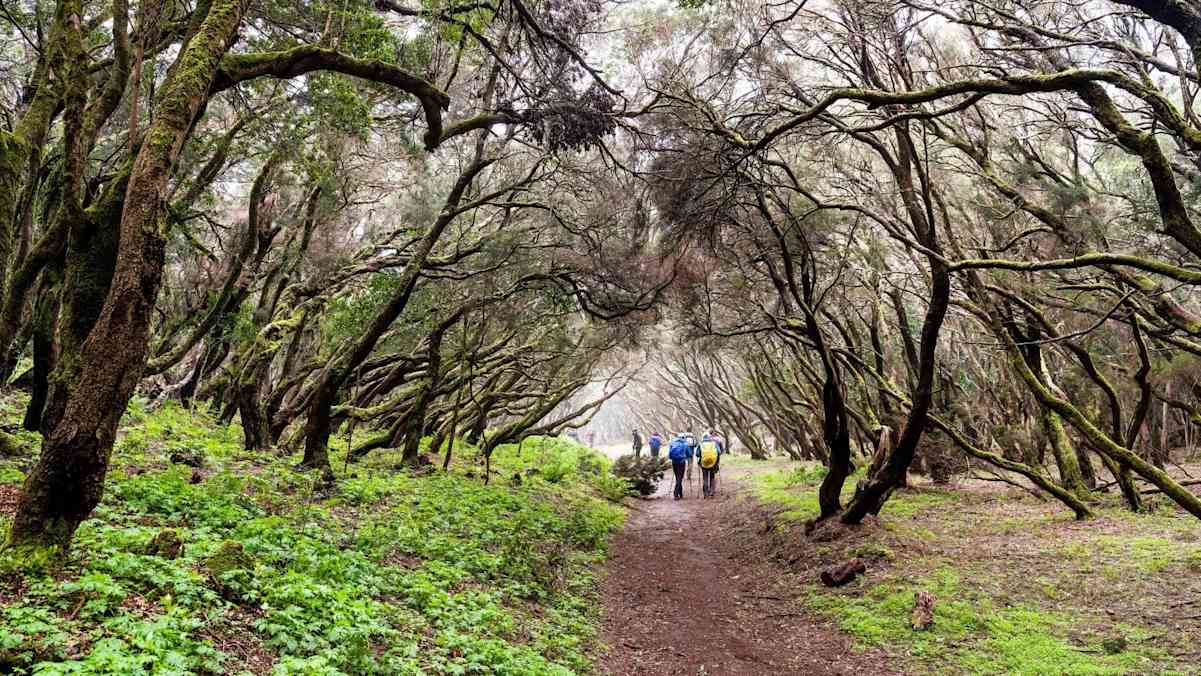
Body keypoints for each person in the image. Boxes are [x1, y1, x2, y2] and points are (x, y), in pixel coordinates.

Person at [698, 431, 724, 498]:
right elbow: (719, 452)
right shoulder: (714, 443)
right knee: (712, 477)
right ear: (710, 437)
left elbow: (697, 454)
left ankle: (706, 493)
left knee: (705, 478)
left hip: (704, 463)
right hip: (713, 463)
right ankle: (712, 492)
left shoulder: (701, 444)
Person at [667, 432, 692, 500]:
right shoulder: (685, 444)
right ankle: (675, 494)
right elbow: (689, 454)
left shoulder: (672, 443)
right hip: (681, 462)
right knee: (679, 478)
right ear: (683, 437)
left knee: (678, 478)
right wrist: (687, 457)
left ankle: (680, 494)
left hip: (674, 462)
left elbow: (669, 454)